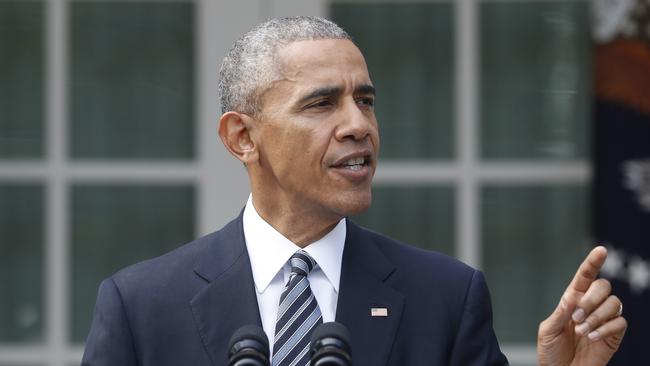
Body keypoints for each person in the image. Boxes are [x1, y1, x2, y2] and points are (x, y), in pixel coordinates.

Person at [81, 16, 626, 366]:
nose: (358, 125)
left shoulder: (447, 299)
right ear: (242, 137)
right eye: (322, 104)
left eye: (364, 100)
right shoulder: (141, 307)